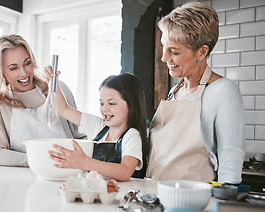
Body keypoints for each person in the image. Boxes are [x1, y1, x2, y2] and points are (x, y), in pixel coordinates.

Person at [146, 2, 245, 184]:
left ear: (202, 51)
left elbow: (231, 156)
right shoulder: (174, 91)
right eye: (164, 47)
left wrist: (223, 204)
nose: (164, 58)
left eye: (174, 52)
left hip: (195, 201)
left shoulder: (222, 91)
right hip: (156, 195)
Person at [0, 34, 84, 166]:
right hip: (22, 179)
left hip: (65, 174)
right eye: (14, 68)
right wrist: (38, 160)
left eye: (27, 63)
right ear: (1, 71)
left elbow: (80, 136)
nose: (24, 73)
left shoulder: (57, 89)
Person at [44, 69, 148, 182]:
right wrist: (53, 82)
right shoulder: (98, 126)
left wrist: (84, 162)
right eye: (101, 103)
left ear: (131, 106)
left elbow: (125, 172)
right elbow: (63, 109)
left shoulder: (132, 136)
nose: (104, 109)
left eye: (111, 103)